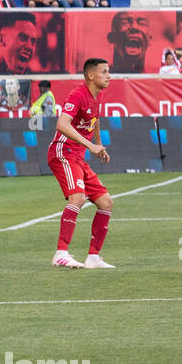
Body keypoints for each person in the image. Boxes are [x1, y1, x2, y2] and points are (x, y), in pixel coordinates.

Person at [48, 57, 115, 270]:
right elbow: (61, 124)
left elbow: (95, 119)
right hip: (62, 152)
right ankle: (61, 253)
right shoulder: (77, 95)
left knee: (105, 202)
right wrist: (90, 145)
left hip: (78, 157)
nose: (108, 75)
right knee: (78, 197)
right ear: (91, 75)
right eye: (104, 72)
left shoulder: (99, 96)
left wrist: (98, 143)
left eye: (108, 71)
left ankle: (93, 257)